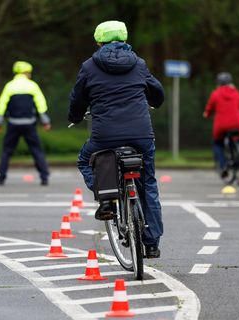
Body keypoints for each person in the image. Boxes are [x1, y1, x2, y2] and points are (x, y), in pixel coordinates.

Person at [68, 21, 164, 258]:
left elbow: (78, 98)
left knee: (85, 160)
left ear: (98, 41)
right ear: (124, 38)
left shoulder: (89, 66)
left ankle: (107, 199)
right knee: (148, 183)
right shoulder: (139, 64)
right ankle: (152, 244)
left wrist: (76, 116)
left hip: (105, 136)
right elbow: (157, 91)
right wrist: (154, 102)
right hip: (141, 134)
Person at [0, 61, 51, 186]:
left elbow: (2, 104)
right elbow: (40, 104)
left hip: (13, 123)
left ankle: (1, 178)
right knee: (36, 150)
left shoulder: (9, 86)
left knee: (7, 151)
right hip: (29, 124)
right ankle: (44, 177)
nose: (30, 75)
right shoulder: (33, 86)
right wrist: (45, 121)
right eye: (29, 73)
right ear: (25, 73)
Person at [203, 72, 239, 177]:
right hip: (237, 122)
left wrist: (206, 114)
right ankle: (237, 156)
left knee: (217, 144)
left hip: (222, 125)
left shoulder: (216, 93)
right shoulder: (235, 92)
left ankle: (224, 166)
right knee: (235, 138)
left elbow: (209, 109)